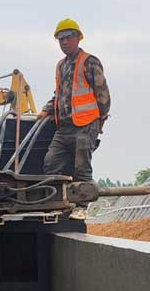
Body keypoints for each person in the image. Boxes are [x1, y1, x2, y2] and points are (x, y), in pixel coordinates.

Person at [36, 19, 110, 182]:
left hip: (85, 126)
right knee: (50, 164)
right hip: (64, 127)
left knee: (82, 170)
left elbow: (103, 95)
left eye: (68, 37)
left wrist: (99, 122)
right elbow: (60, 95)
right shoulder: (61, 66)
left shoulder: (89, 62)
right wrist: (46, 110)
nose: (64, 42)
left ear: (78, 38)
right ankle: (57, 196)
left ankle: (84, 198)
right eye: (61, 39)